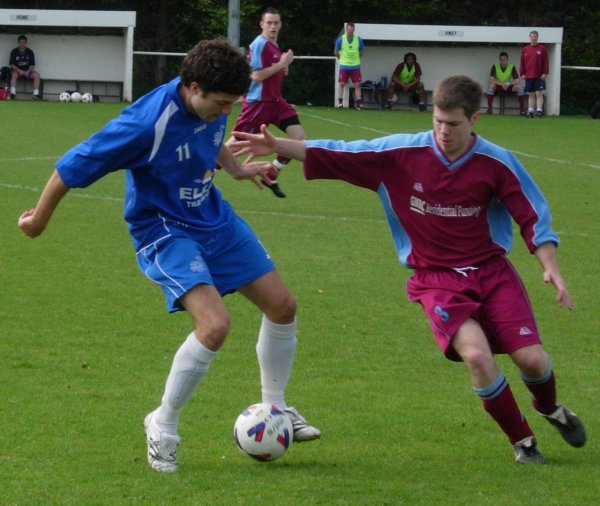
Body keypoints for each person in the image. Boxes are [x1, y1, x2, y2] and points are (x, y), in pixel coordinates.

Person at [233, 74, 586, 465]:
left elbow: (532, 215)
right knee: (476, 356)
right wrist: (276, 144)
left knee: (533, 361)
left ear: (474, 120)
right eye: (437, 120)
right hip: (436, 279)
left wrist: (550, 266)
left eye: (453, 124)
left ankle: (550, 408)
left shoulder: (496, 162)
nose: (443, 131)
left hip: (492, 272)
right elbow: (341, 151)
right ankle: (523, 441)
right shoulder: (401, 153)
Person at [17, 39, 320, 473]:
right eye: (219, 104)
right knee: (214, 325)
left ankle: (276, 407)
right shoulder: (145, 124)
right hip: (162, 228)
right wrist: (40, 219)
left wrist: (234, 169)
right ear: (192, 87)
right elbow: (73, 164)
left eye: (230, 106)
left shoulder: (211, 104)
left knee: (283, 306)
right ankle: (162, 424)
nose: (225, 114)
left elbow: (210, 132)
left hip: (211, 215)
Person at [230, 7, 305, 199]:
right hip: (259, 104)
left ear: (280, 25)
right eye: (269, 22)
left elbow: (268, 70)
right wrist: (281, 64)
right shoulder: (260, 44)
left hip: (276, 102)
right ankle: (203, 171)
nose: (272, 26)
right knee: (235, 145)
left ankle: (272, 173)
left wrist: (281, 69)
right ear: (262, 24)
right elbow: (255, 75)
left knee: (300, 141)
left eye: (276, 23)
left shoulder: (273, 44)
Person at [334, 22, 365, 110]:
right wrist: (342, 59)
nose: (350, 31)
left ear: (354, 30)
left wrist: (356, 59)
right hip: (344, 65)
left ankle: (359, 104)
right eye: (349, 29)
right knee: (342, 83)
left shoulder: (358, 39)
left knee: (357, 84)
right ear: (346, 29)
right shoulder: (341, 39)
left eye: (352, 29)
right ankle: (340, 103)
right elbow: (336, 52)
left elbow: (362, 51)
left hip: (355, 65)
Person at [520, 30, 549, 118]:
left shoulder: (542, 48)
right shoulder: (525, 49)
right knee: (531, 94)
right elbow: (522, 62)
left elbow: (546, 62)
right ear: (530, 37)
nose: (533, 38)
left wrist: (545, 73)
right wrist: (522, 73)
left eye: (535, 36)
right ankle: (530, 111)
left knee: (539, 93)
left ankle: (539, 111)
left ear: (537, 37)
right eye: (532, 36)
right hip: (529, 75)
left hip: (539, 75)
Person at [9, 34, 42, 100]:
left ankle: (35, 95)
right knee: (14, 74)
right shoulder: (14, 51)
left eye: (23, 42)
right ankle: (13, 94)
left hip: (27, 71)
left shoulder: (30, 52)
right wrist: (19, 70)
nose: (22, 44)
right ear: (18, 43)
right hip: (18, 71)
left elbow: (32, 64)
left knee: (37, 75)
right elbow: (12, 64)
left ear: (26, 43)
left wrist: (28, 71)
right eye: (20, 42)